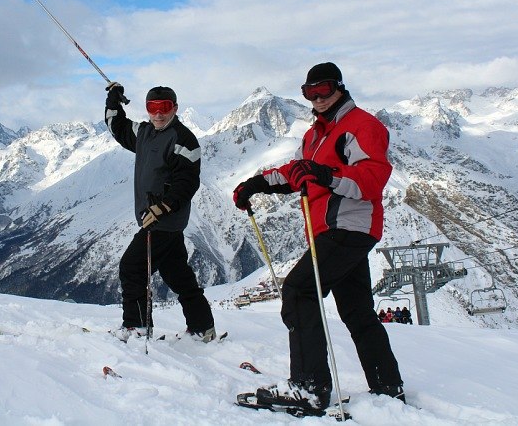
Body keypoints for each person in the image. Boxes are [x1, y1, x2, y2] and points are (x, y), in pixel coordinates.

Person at [232, 62, 405, 412]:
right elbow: (297, 173)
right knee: (356, 310)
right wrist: (256, 184)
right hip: (332, 230)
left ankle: (309, 387)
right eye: (310, 92)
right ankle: (387, 386)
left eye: (324, 89)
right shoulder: (314, 135)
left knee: (299, 291)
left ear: (339, 87)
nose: (318, 98)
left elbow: (371, 179)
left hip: (349, 227)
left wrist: (325, 175)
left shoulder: (361, 126)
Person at [104, 82, 216, 342]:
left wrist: (163, 206)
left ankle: (137, 327)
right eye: (152, 107)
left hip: (163, 222)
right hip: (155, 219)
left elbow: (187, 181)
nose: (158, 113)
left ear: (174, 108)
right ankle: (202, 327)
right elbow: (117, 127)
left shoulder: (184, 140)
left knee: (132, 267)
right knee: (177, 274)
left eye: (164, 107)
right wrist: (113, 101)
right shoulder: (144, 133)